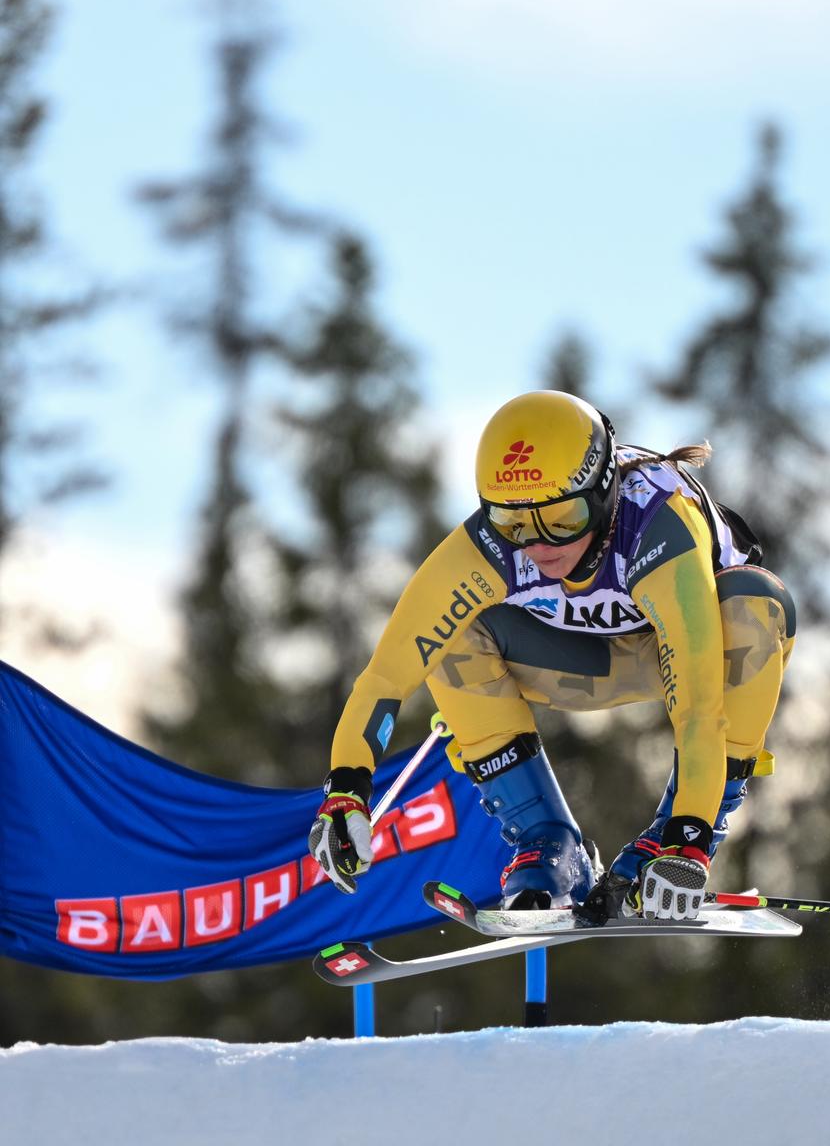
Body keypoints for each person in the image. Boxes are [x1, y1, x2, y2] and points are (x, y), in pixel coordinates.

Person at [308, 390, 796, 922]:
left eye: (564, 517)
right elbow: (386, 677)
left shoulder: (658, 524)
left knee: (757, 604)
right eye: (514, 522)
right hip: (578, 664)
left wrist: (688, 840)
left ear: (604, 489)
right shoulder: (485, 548)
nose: (539, 544)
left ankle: (665, 840)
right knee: (449, 635)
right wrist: (346, 792)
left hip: (694, 654)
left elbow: (700, 710)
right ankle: (547, 842)